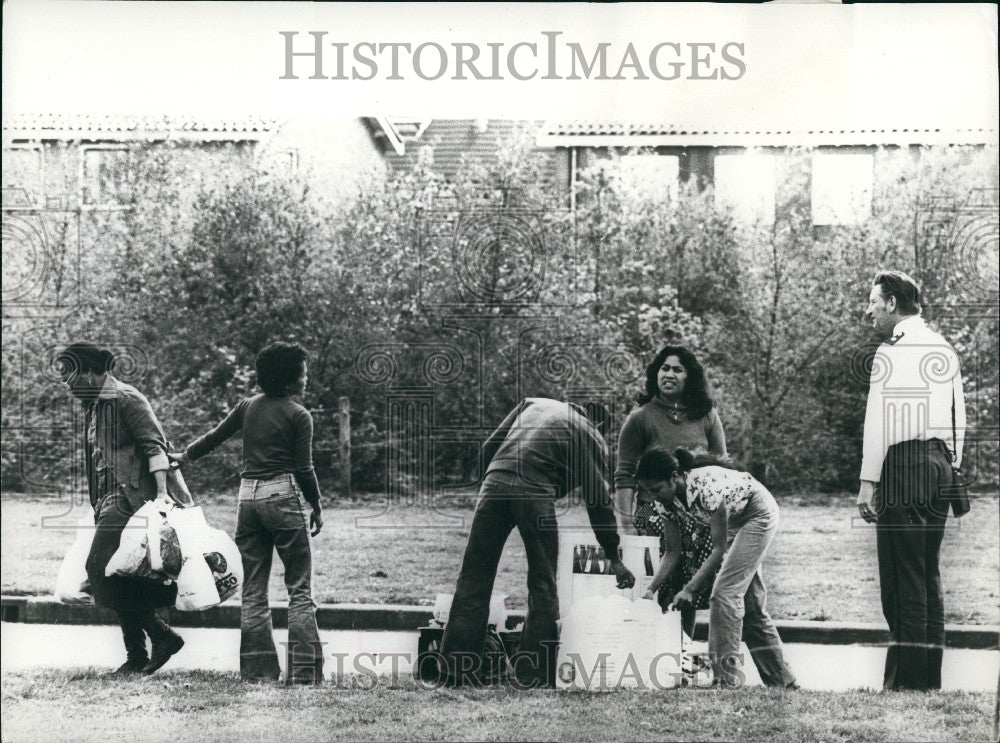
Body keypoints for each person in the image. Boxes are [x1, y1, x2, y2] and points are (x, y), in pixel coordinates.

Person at [439, 398, 635, 689]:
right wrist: (613, 555)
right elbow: (598, 501)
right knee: (542, 582)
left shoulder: (533, 403)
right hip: (534, 490)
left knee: (474, 576)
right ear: (602, 425)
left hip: (494, 481)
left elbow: (487, 449)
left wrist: (493, 480)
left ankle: (456, 669)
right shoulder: (590, 433)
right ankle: (533, 674)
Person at [172, 342, 325, 684]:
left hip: (247, 499)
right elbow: (305, 469)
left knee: (253, 588)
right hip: (283, 496)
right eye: (303, 370)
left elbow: (214, 437)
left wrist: (185, 456)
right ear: (289, 381)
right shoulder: (300, 415)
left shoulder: (247, 407)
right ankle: (305, 674)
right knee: (299, 587)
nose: (306, 375)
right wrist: (316, 504)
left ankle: (258, 672)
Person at [857, 270, 967, 691]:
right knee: (925, 572)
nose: (868, 310)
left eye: (873, 301)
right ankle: (926, 678)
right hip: (939, 464)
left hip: (904, 464)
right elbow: (959, 417)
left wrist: (868, 480)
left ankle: (906, 682)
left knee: (902, 577)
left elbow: (880, 420)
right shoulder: (942, 347)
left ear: (891, 303)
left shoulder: (892, 350)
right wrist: (950, 463)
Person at [56, 342, 185, 675]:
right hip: (107, 502)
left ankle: (162, 636)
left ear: (88, 372)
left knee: (99, 569)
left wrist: (160, 497)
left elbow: (156, 447)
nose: (66, 384)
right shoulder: (93, 406)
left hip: (130, 500)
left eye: (69, 375)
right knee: (122, 577)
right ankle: (137, 655)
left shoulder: (127, 399)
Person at [635, 447, 797, 689]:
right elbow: (672, 552)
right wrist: (651, 589)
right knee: (750, 607)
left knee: (724, 594)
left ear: (673, 477)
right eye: (648, 492)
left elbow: (717, 549)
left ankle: (725, 680)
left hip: (757, 513)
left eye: (657, 489)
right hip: (736, 521)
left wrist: (689, 589)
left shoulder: (705, 486)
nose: (654, 497)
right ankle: (783, 682)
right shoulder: (665, 503)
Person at [615, 345, 727, 629]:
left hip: (698, 513)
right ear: (656, 374)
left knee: (689, 582)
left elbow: (721, 466)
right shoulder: (640, 417)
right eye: (665, 368)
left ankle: (682, 651)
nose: (670, 374)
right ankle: (651, 648)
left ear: (689, 377)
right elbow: (625, 475)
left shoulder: (707, 415)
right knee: (659, 580)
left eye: (678, 369)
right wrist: (627, 524)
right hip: (653, 512)